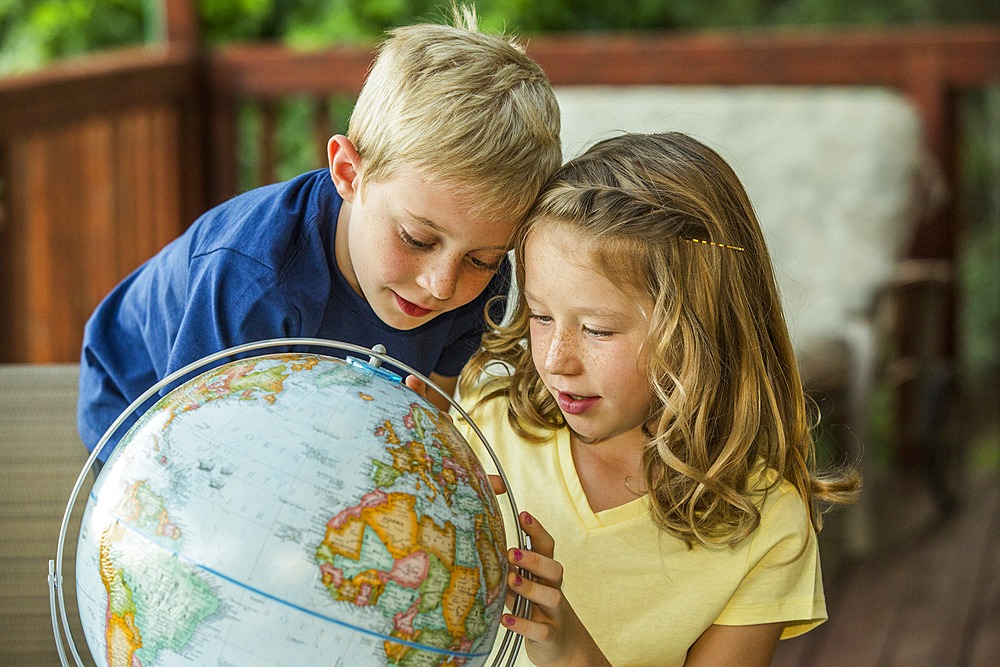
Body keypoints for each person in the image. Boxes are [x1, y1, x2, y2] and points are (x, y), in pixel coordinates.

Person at [76, 6, 562, 464]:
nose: (441, 285)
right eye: (417, 238)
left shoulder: (481, 284)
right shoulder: (253, 280)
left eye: (481, 259)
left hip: (316, 411)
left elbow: (428, 411)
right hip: (144, 398)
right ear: (349, 173)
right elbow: (198, 447)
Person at [454, 132, 861, 667]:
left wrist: (572, 653)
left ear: (700, 330)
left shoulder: (765, 527)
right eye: (540, 316)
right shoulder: (482, 419)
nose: (556, 359)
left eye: (598, 330)